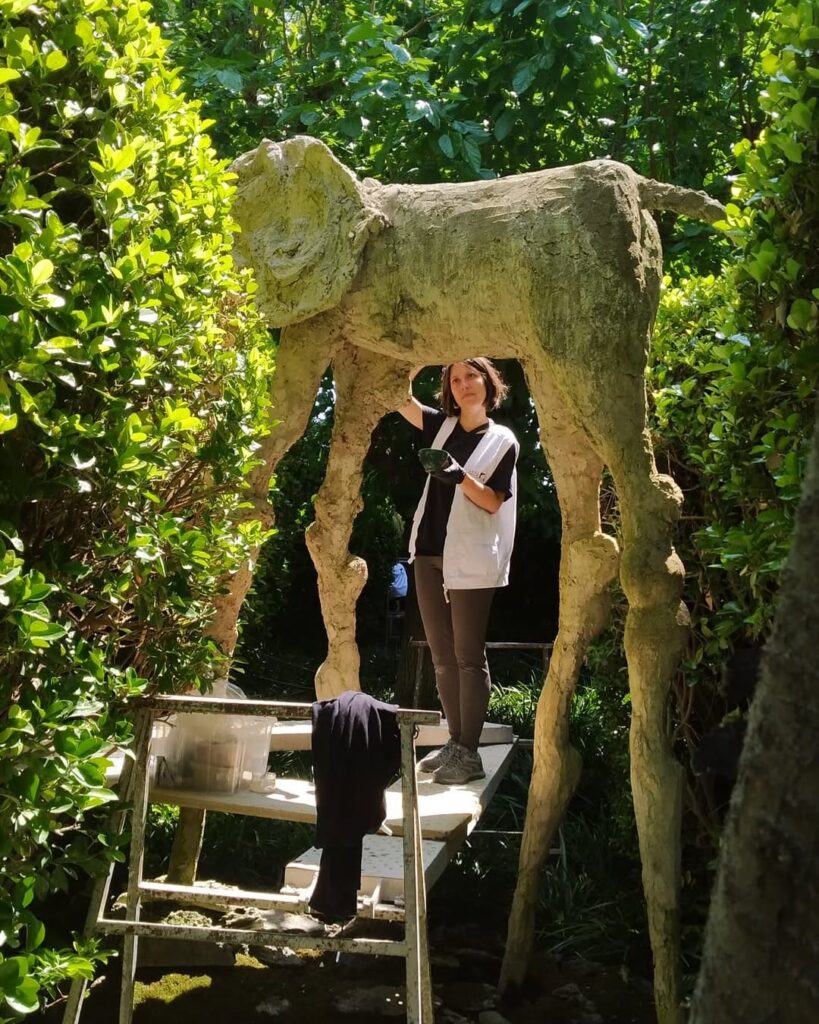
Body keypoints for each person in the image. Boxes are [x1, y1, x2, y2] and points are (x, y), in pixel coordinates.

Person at [397, 358, 518, 784]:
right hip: (428, 553)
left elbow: (491, 501)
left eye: (472, 376)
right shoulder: (440, 425)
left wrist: (457, 475)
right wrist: (416, 355)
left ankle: (469, 753)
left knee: (468, 657)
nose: (464, 384)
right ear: (449, 388)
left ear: (488, 382)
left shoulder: (502, 440)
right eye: (455, 379)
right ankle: (455, 743)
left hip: (470, 558)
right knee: (442, 658)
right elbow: (397, 395)